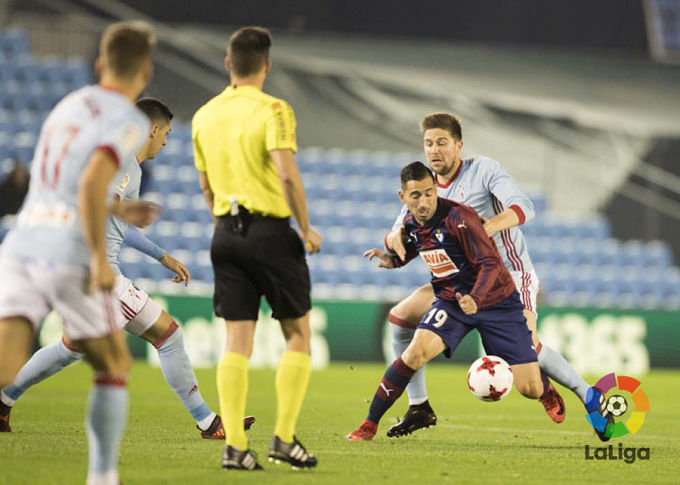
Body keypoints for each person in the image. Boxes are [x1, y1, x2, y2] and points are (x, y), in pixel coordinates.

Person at [0, 98, 255, 439]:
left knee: (70, 349)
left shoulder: (123, 164)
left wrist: (161, 256)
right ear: (153, 129)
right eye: (166, 133)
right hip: (99, 275)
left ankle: (3, 400)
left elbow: (113, 220)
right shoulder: (122, 166)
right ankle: (208, 422)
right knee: (168, 336)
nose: (166, 141)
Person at [383, 113, 610, 442]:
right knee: (400, 317)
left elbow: (524, 206)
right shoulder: (425, 187)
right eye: (429, 143)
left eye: (442, 142)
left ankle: (586, 394)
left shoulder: (483, 170)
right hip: (461, 284)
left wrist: (489, 226)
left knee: (529, 382)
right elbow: (401, 227)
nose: (434, 150)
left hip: (509, 278)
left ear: (458, 145)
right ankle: (418, 405)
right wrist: (393, 238)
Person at [0, 21, 159, 485]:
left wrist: (118, 209)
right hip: (68, 251)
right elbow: (90, 183)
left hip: (22, 243)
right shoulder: (129, 119)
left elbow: (66, 183)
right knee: (113, 362)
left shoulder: (68, 104)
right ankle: (103, 477)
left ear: (99, 64)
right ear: (145, 73)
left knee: (6, 362)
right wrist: (97, 259)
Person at [192, 26, 322, 471]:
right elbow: (286, 174)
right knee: (297, 334)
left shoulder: (204, 116)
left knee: (236, 342)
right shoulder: (274, 109)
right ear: (266, 65)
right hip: (270, 232)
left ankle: (235, 447)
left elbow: (206, 186)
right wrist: (305, 228)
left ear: (228, 63)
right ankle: (283, 439)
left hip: (225, 233)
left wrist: (225, 226)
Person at [346, 161, 550, 441]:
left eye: (429, 193)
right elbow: (421, 247)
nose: (424, 202)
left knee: (531, 389)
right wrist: (394, 261)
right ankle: (369, 424)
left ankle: (544, 383)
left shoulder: (460, 218)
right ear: (403, 197)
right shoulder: (411, 223)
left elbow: (490, 264)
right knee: (415, 353)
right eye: (416, 195)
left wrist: (476, 298)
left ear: (436, 190)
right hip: (452, 300)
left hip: (497, 302)